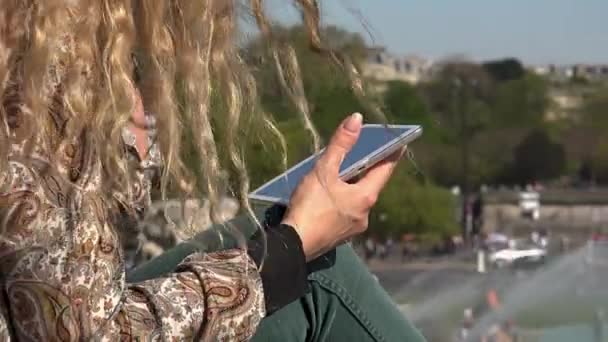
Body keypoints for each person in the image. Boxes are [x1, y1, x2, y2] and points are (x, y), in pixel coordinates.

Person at [0, 1, 424, 341]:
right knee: (320, 278)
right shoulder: (44, 78)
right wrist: (286, 252)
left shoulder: (58, 48)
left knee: (262, 232)